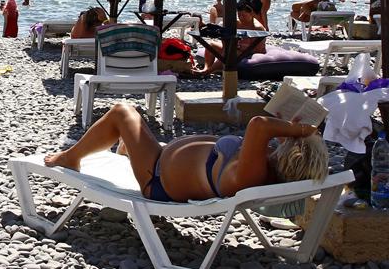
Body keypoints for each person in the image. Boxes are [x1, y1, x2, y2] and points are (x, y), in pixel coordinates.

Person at [44, 103, 327, 203]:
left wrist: (304, 130)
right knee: (131, 129)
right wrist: (289, 132)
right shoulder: (263, 165)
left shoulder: (252, 175)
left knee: (122, 112)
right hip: (162, 160)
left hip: (156, 179)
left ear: (289, 155)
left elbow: (259, 124)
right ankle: (128, 150)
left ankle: (71, 157)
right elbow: (265, 132)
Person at [194, 0, 266, 76]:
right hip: (236, 49)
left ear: (251, 13)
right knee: (211, 45)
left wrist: (237, 48)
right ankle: (206, 68)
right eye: (239, 15)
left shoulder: (257, 28)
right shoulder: (237, 23)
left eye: (244, 15)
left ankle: (207, 72)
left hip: (250, 53)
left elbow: (257, 49)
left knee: (230, 52)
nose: (241, 17)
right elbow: (225, 33)